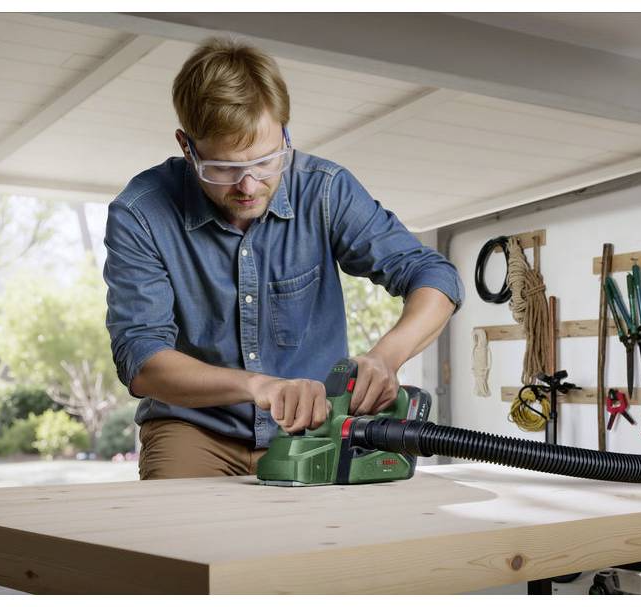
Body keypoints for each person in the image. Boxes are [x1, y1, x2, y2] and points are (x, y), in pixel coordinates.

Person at [103, 37, 464, 480]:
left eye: (266, 161)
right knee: (181, 523)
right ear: (186, 146)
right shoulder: (140, 213)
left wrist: (386, 357)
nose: (248, 186)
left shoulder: (325, 190)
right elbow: (142, 358)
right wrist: (258, 386)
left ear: (286, 133)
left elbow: (433, 275)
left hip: (315, 431)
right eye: (223, 168)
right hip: (195, 427)